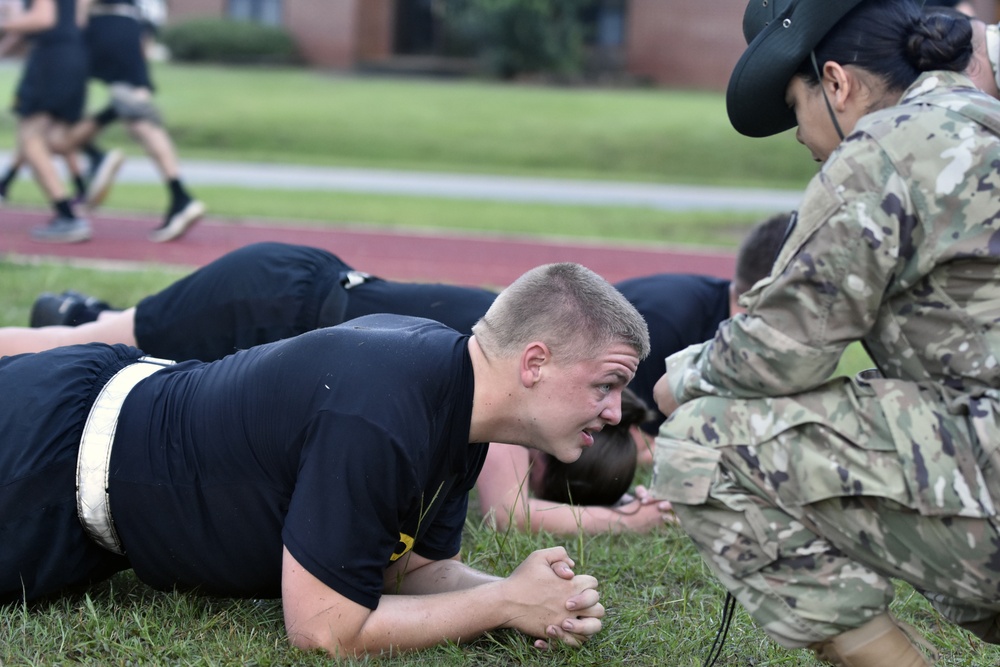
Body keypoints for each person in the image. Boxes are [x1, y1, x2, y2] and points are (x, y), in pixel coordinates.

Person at [0, 262, 650, 657]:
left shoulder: (455, 403)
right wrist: (505, 603)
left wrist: (535, 600)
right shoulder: (384, 406)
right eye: (607, 383)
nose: (617, 412)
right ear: (534, 362)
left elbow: (412, 571)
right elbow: (325, 629)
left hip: (82, 452)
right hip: (44, 457)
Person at [651, 1, 1000, 666]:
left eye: (796, 108)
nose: (804, 141)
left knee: (704, 444)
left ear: (836, 83)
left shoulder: (884, 150)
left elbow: (779, 352)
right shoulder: (981, 118)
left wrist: (681, 379)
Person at [66, 0, 204, 241]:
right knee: (134, 114)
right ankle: (179, 197)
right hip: (129, 25)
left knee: (138, 116)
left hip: (106, 25)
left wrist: (75, 32)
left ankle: (181, 198)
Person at [1, 0, 93, 242]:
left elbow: (43, 19)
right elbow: (78, 19)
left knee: (30, 139)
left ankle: (68, 216)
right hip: (75, 55)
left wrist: (6, 22)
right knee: (53, 139)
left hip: (50, 59)